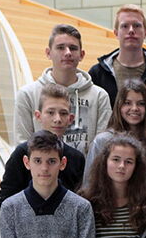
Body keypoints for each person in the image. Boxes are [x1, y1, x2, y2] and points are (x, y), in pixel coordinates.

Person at [14, 24, 111, 154]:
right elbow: (22, 146)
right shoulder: (27, 94)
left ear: (81, 55)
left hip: (84, 174)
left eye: (73, 48)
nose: (67, 53)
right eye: (60, 48)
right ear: (48, 53)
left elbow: (101, 149)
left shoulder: (100, 96)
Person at [0, 84, 85, 206]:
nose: (57, 119)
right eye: (50, 112)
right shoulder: (22, 152)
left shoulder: (77, 158)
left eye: (63, 113)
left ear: (70, 119)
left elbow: (78, 202)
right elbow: (6, 200)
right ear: (38, 116)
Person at [89, 4, 146, 106]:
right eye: (125, 26)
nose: (131, 30)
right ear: (116, 33)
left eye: (137, 26)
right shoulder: (97, 74)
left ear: (145, 33)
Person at [84, 79, 146, 184]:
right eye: (127, 103)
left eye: (141, 103)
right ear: (119, 106)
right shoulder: (102, 141)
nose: (134, 108)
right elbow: (89, 183)